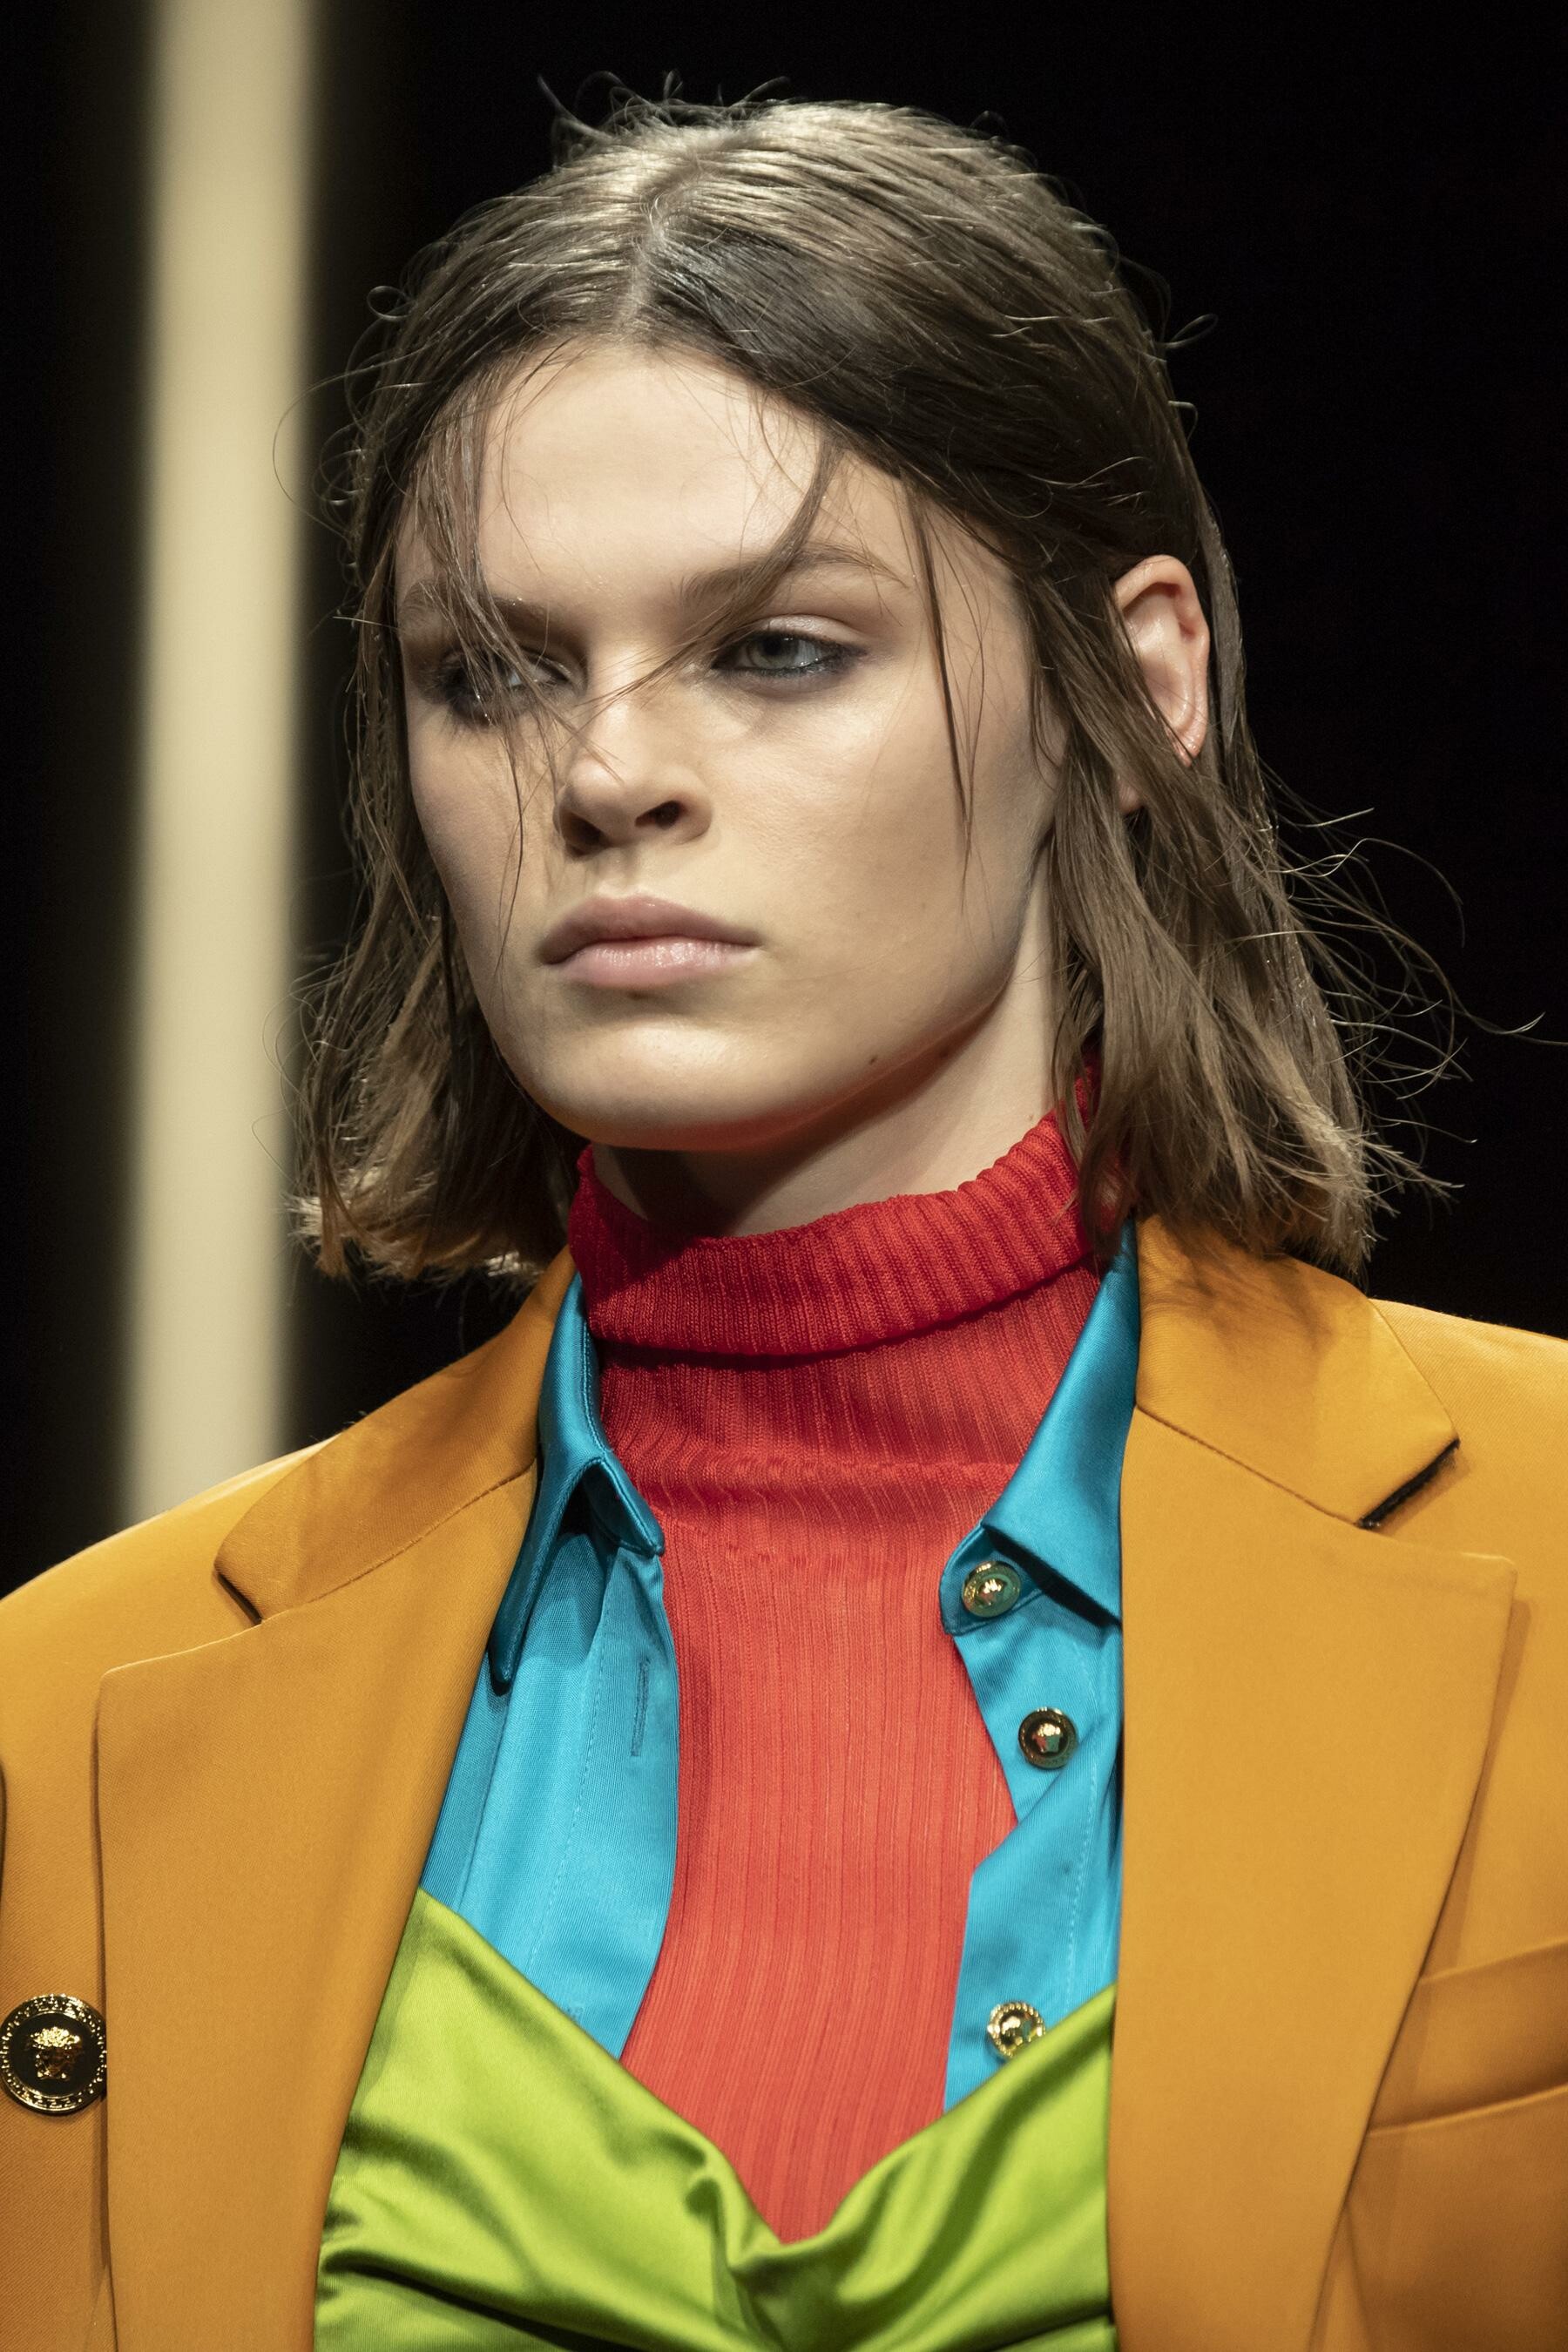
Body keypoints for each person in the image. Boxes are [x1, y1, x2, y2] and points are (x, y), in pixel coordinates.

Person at [2, 91, 1563, 2352]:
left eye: (778, 649)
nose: (606, 772)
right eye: (492, 672)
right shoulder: (70, 1716)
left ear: (1139, 686)